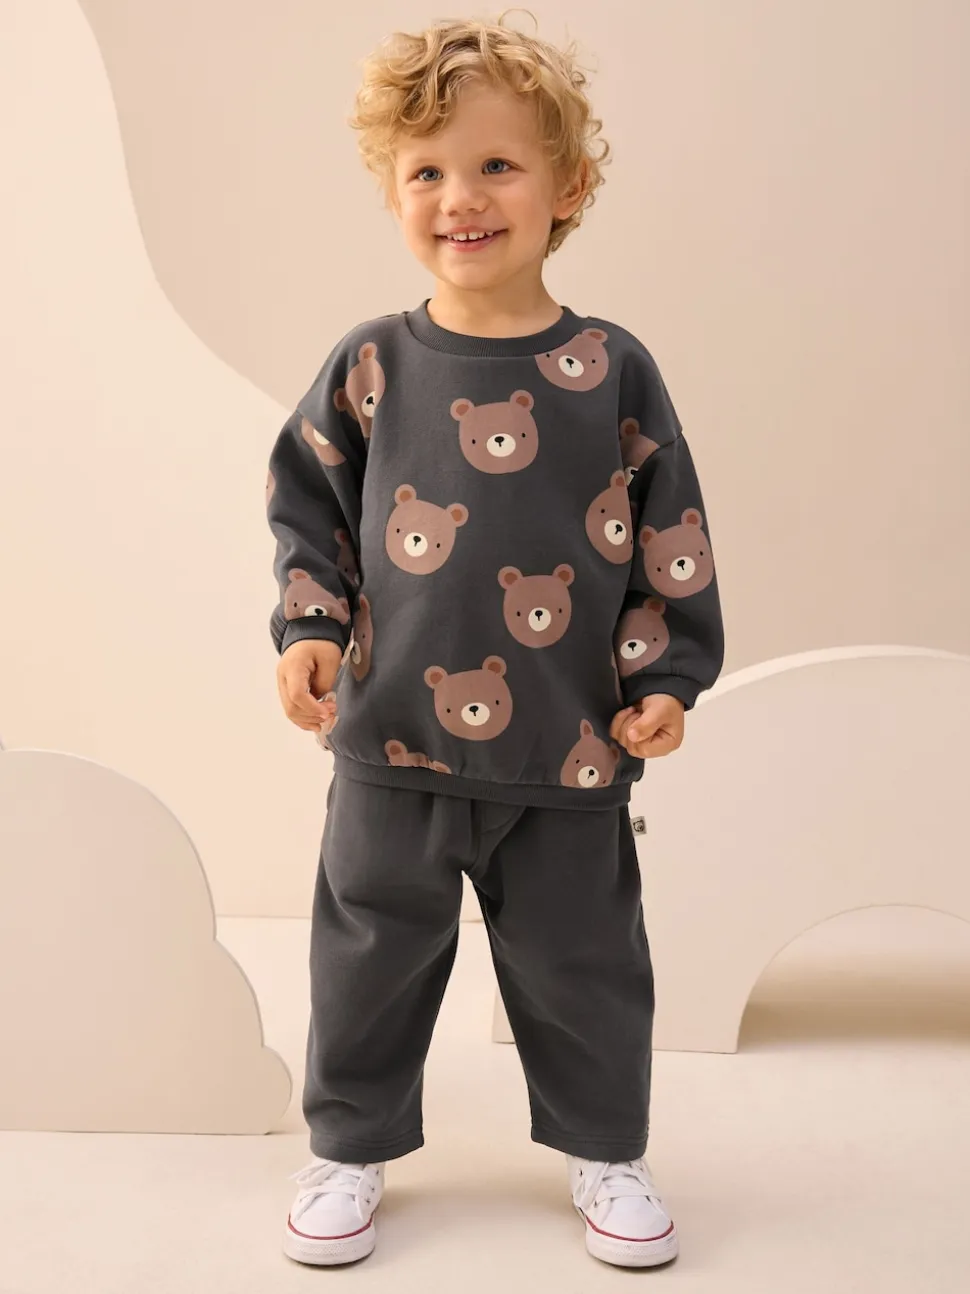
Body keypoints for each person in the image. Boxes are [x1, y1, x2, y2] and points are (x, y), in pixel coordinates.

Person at [266, 12, 724, 1270]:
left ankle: (607, 1150)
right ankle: (346, 1148)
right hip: (389, 744)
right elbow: (310, 509)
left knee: (586, 966)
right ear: (391, 192)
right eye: (426, 170)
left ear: (566, 186)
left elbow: (668, 535)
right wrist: (309, 629)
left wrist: (667, 678)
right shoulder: (370, 364)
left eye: (496, 165)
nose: (459, 197)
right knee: (365, 961)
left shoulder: (610, 369)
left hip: (568, 750)